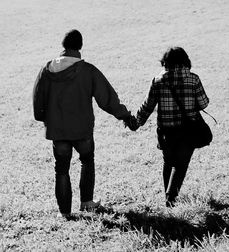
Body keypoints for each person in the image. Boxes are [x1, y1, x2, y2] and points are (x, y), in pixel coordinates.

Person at [33, 29, 137, 218]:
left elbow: (38, 100)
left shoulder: (47, 70)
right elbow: (107, 99)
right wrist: (125, 116)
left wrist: (43, 118)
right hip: (82, 129)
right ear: (80, 46)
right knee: (87, 161)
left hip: (58, 130)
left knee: (61, 169)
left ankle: (65, 213)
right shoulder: (88, 70)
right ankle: (87, 203)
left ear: (63, 45)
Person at [135, 47, 210, 207]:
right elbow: (204, 103)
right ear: (186, 61)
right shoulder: (193, 79)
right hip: (188, 129)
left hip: (166, 130)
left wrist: (137, 122)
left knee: (168, 162)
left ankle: (168, 197)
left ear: (165, 62)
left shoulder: (158, 80)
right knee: (181, 164)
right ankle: (170, 199)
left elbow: (148, 106)